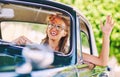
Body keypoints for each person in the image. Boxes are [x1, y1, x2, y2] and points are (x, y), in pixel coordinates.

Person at [12, 14, 114, 67]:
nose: (54, 28)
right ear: (47, 28)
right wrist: (16, 43)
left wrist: (106, 34)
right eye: (51, 24)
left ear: (65, 33)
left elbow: (102, 61)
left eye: (59, 26)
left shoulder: (71, 53)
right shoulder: (37, 48)